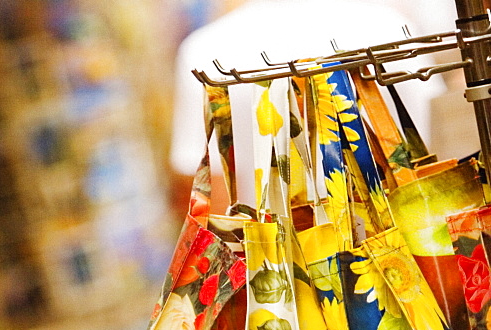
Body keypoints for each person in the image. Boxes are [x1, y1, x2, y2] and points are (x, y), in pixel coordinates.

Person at [169, 0, 450, 212]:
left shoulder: (206, 51)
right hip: (413, 247)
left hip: (274, 266)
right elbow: (436, 142)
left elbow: (207, 192)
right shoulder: (386, 22)